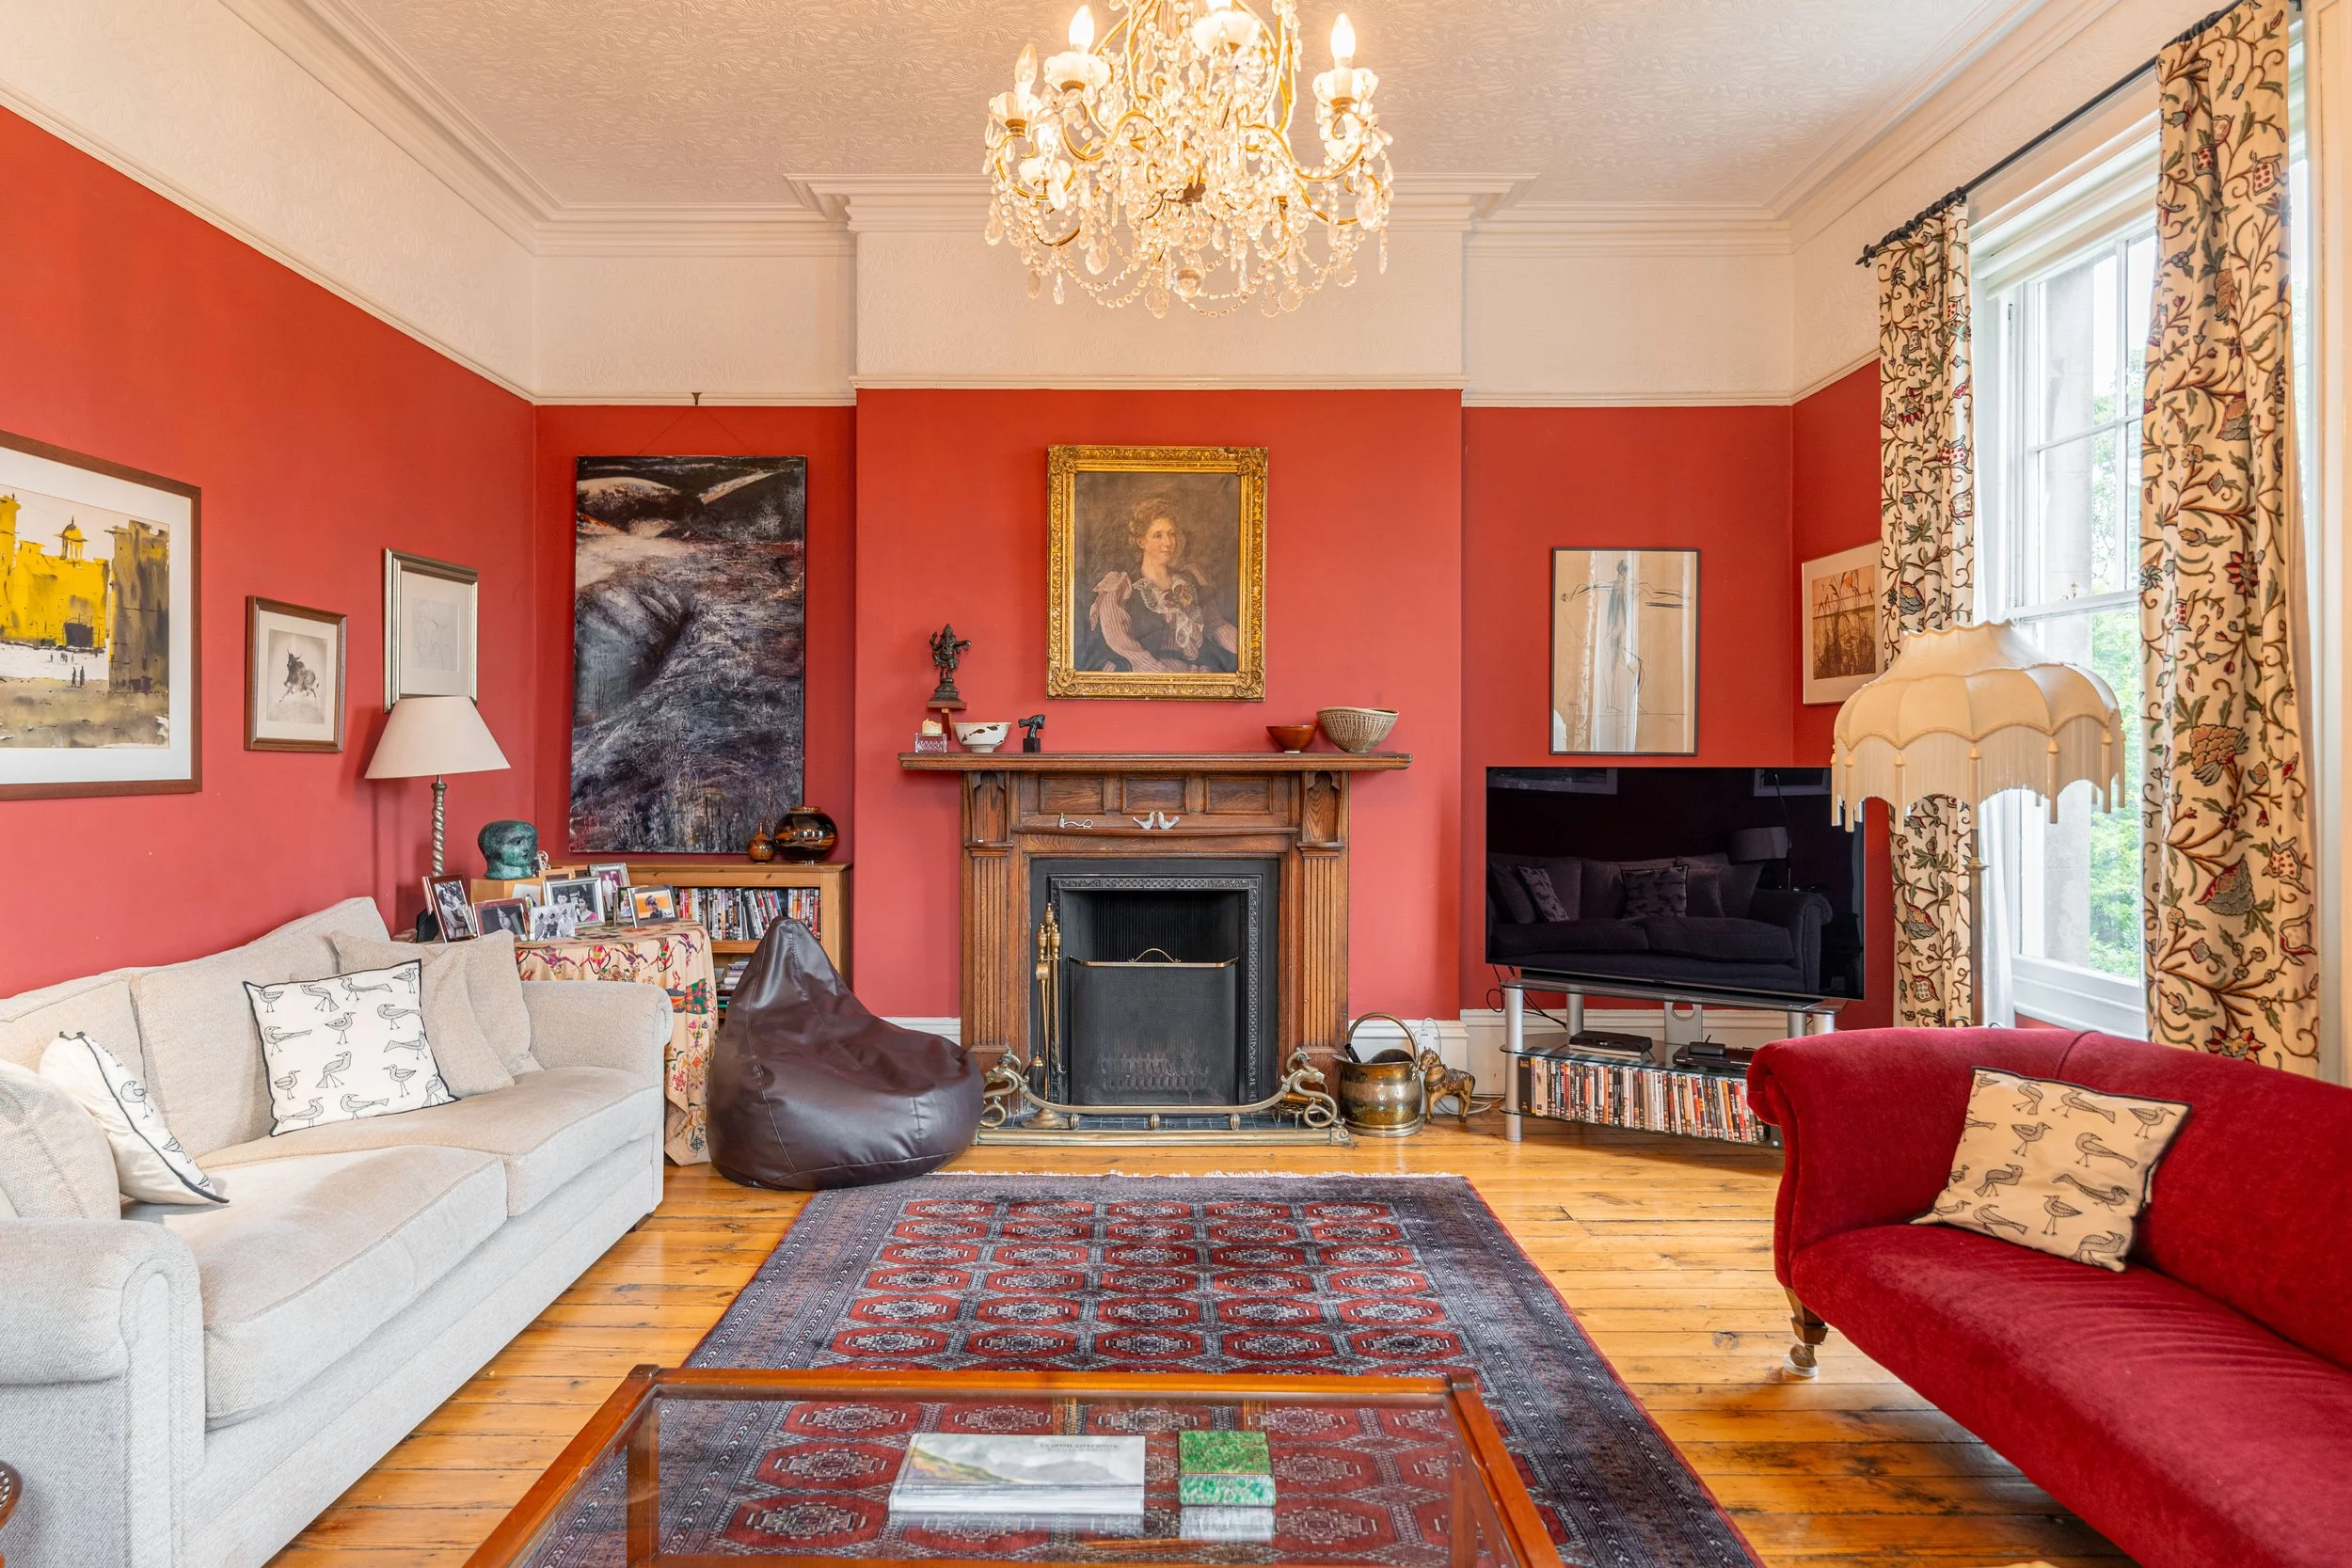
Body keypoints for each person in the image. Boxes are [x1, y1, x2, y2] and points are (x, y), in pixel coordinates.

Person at [1084, 497, 1238, 673]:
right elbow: (1124, 646)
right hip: (1146, 674)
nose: (1168, 543)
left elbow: (1216, 626)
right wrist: (1167, 678)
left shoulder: (1189, 580)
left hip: (1194, 672)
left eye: (1171, 534)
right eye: (1158, 535)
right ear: (1141, 542)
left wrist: (1249, 656)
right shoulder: (1122, 588)